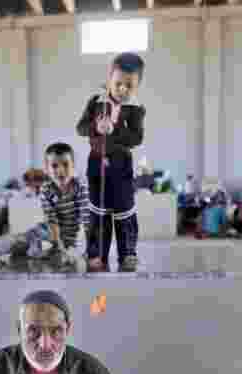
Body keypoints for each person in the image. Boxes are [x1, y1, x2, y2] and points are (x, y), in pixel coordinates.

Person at [77, 52, 146, 272]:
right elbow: (80, 127)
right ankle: (97, 254)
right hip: (96, 164)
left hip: (121, 164)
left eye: (129, 86)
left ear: (137, 86)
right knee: (98, 211)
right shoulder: (95, 102)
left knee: (124, 211)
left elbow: (136, 138)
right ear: (109, 78)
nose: (123, 89)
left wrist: (115, 129)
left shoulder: (136, 109)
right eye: (118, 83)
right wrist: (95, 128)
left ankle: (128, 254)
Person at [15, 142, 89, 261]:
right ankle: (21, 248)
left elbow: (87, 220)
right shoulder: (46, 189)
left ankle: (41, 248)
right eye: (54, 166)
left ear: (73, 165)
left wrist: (90, 247)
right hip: (52, 232)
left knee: (76, 249)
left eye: (66, 164)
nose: (60, 171)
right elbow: (51, 218)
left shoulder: (80, 187)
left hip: (73, 234)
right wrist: (57, 244)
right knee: (29, 236)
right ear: (47, 169)